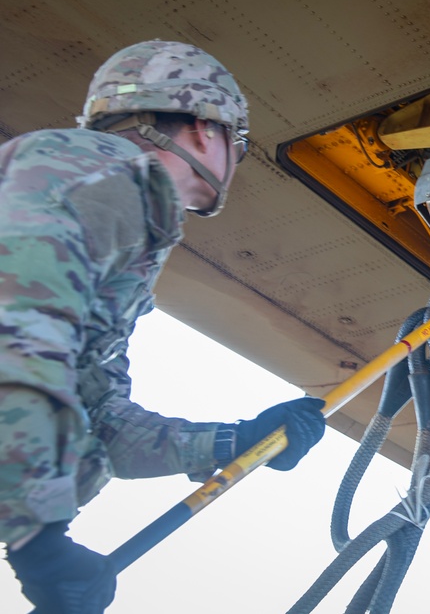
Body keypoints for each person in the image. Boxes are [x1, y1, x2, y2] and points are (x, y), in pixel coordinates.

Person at [0, 41, 327, 613]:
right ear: (206, 129)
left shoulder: (123, 211)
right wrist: (39, 545)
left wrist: (237, 441)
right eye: (239, 146)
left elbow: (101, 422)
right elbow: (17, 333)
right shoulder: (94, 173)